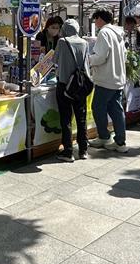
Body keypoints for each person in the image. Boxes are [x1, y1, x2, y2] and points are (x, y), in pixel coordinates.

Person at [86, 9, 128, 152]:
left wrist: (87, 60)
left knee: (98, 107)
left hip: (106, 78)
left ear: (100, 19)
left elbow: (100, 56)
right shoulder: (118, 33)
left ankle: (104, 136)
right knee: (116, 110)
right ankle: (120, 142)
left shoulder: (104, 33)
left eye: (95, 19)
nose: (95, 23)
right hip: (117, 78)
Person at [53, 19, 90, 161]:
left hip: (64, 84)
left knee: (66, 118)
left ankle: (68, 151)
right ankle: (83, 150)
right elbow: (86, 63)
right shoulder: (85, 43)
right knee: (81, 118)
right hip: (80, 84)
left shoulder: (62, 42)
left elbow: (55, 60)